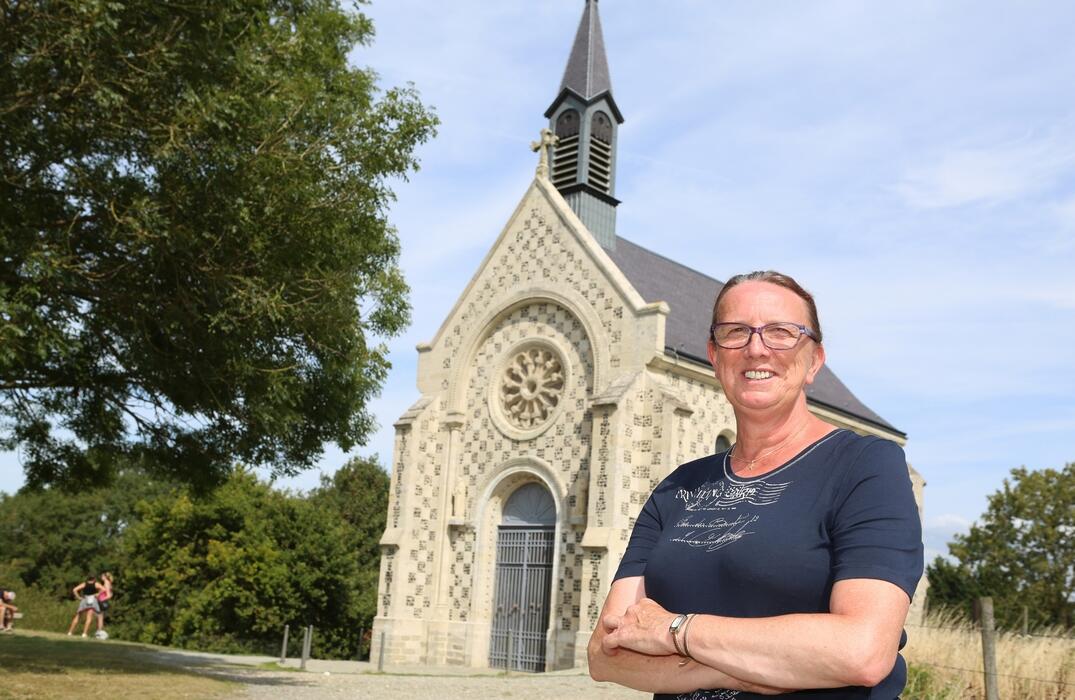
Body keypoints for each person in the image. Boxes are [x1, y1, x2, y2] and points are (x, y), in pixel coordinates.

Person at [588, 271, 924, 699]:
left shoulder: (865, 466)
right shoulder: (678, 488)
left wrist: (675, 630)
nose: (756, 348)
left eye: (782, 332)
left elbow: (862, 652)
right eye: (735, 332)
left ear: (814, 360)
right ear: (714, 355)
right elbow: (604, 654)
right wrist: (744, 671)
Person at [95, 572, 114, 637]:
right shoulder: (107, 583)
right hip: (101, 601)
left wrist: (101, 600)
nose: (101, 577)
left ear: (105, 577)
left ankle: (99, 632)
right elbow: (111, 594)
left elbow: (109, 595)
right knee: (99, 617)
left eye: (102, 576)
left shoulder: (106, 583)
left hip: (102, 602)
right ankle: (99, 632)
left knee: (100, 617)